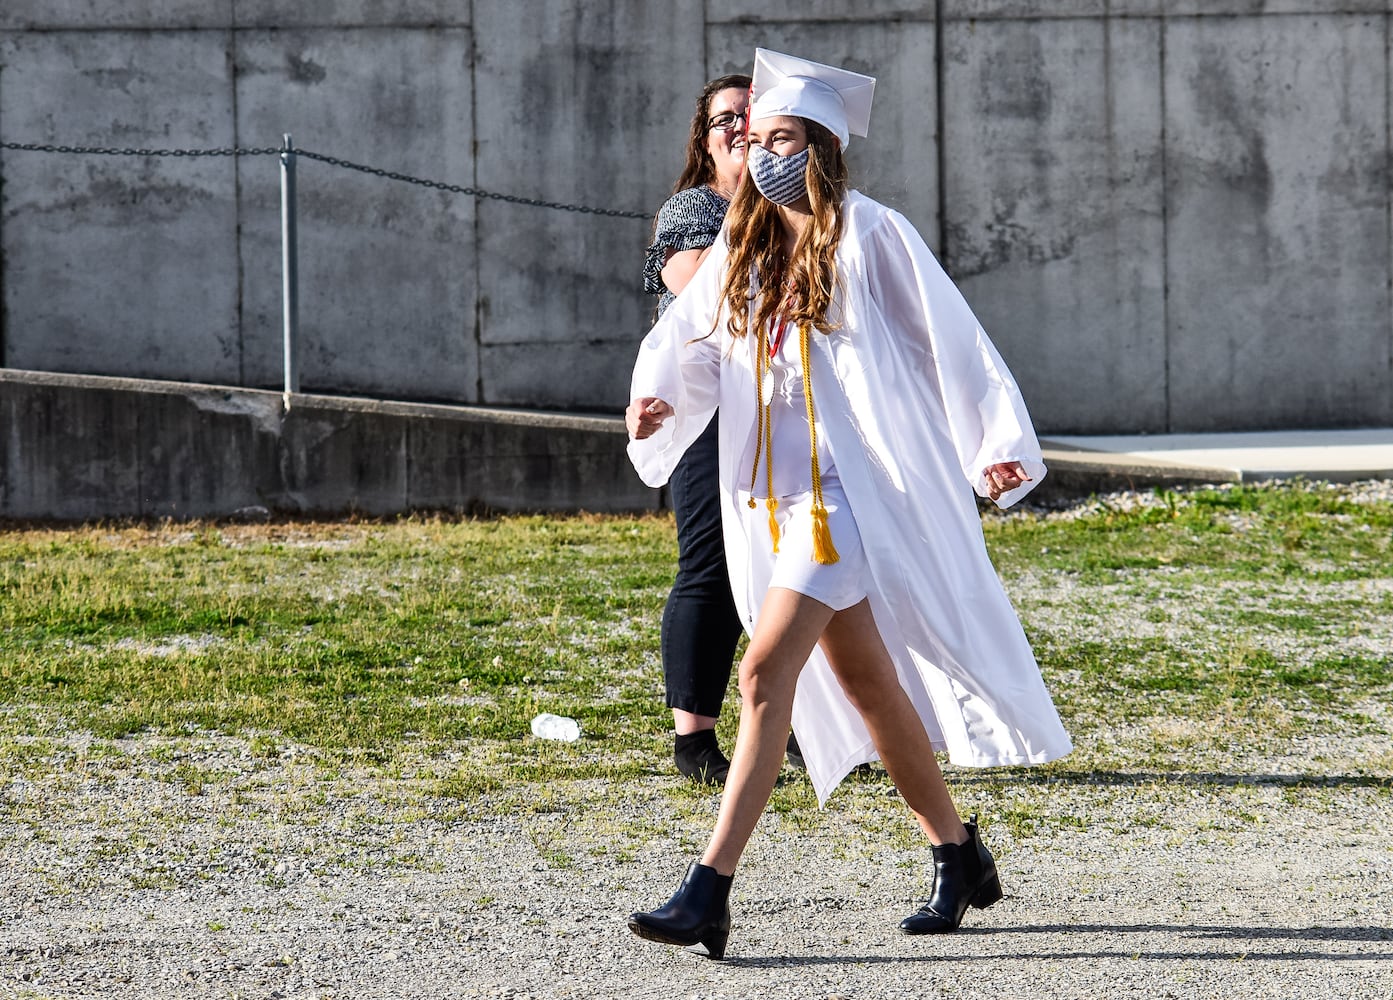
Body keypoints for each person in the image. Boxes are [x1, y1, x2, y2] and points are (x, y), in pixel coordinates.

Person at [623, 49, 1072, 958]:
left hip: (847, 497)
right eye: (754, 140)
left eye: (782, 138)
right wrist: (661, 402)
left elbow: (948, 337)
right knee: (870, 689)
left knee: (759, 676)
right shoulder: (743, 247)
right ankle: (958, 854)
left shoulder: (871, 234)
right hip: (773, 499)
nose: (762, 155)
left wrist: (989, 445)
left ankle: (707, 890)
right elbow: (696, 344)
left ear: (821, 147)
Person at [644, 73, 803, 785]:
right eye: (724, 120)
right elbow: (696, 289)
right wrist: (752, 204)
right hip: (710, 412)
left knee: (795, 573)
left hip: (788, 411)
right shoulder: (690, 209)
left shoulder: (802, 211)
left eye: (753, 116)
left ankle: (800, 727)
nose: (740, 127)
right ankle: (694, 740)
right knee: (708, 566)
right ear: (704, 143)